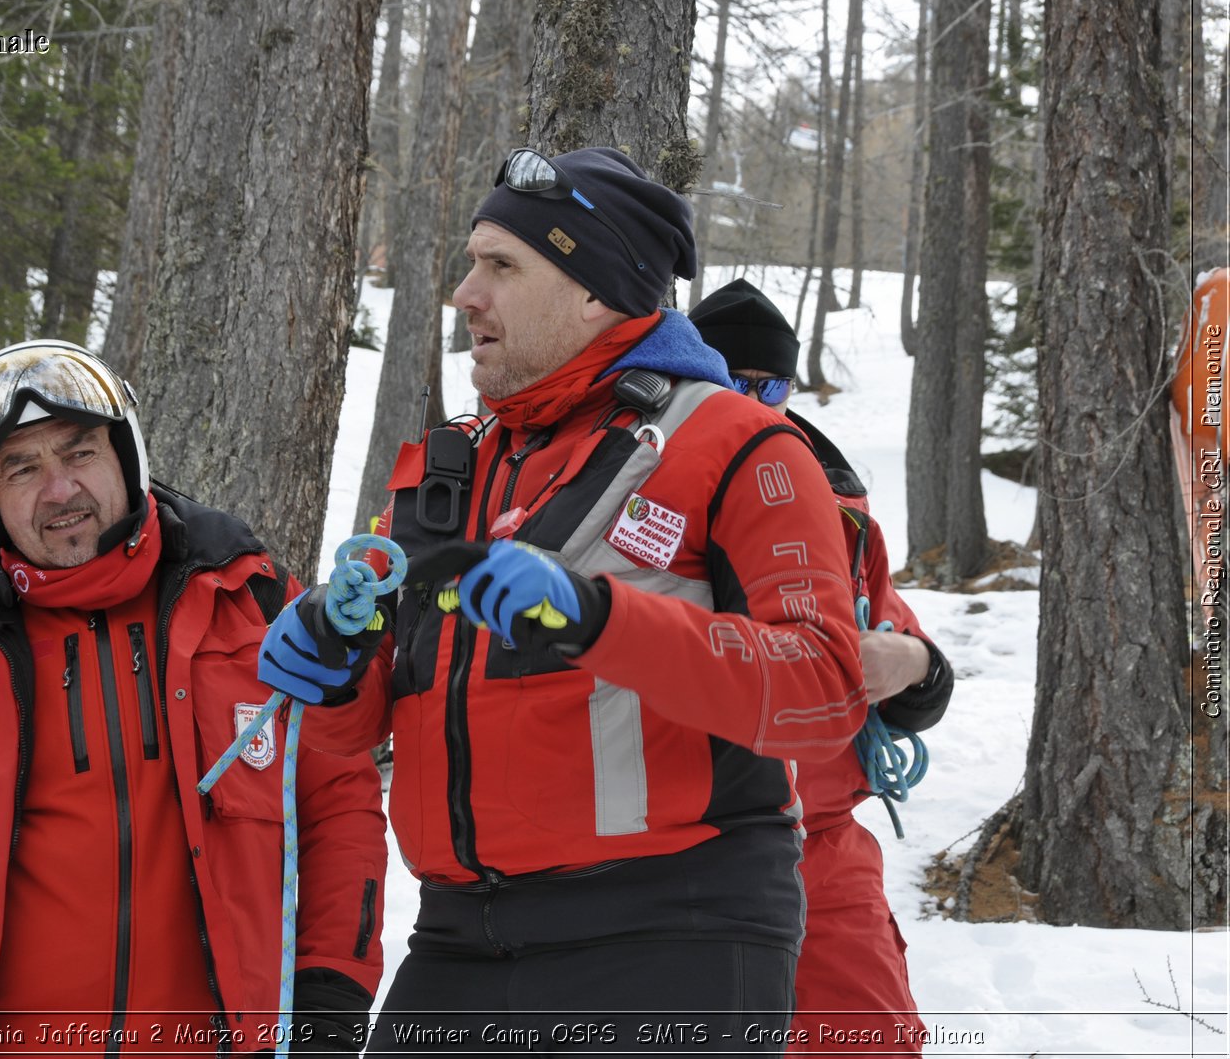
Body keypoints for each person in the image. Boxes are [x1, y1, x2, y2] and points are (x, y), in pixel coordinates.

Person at [260, 147, 868, 1053]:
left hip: (673, 929)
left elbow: (823, 692)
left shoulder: (741, 446)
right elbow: (369, 730)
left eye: (502, 267)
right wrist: (330, 659)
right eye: (472, 263)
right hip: (461, 936)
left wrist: (598, 619)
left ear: (596, 293)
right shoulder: (448, 467)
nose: (467, 294)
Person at [0, 340, 388, 1053]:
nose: (58, 490)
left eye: (78, 451)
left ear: (125, 453)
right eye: (21, 468)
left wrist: (329, 996)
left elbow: (339, 804)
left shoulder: (248, 599)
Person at [689, 278, 954, 1056]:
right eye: (725, 380)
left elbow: (909, 655)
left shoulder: (837, 506)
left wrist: (911, 664)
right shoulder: (642, 489)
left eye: (765, 384)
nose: (747, 399)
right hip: (682, 852)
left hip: (821, 845)